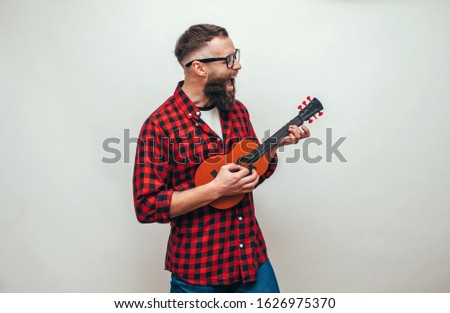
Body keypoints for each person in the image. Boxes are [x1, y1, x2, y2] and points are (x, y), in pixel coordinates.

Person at [132, 24, 310, 293]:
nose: (237, 66)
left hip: (251, 261)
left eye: (235, 55)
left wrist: (272, 150)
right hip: (198, 273)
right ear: (199, 68)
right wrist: (216, 189)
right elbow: (146, 206)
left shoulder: (237, 111)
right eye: (228, 59)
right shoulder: (160, 125)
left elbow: (247, 178)